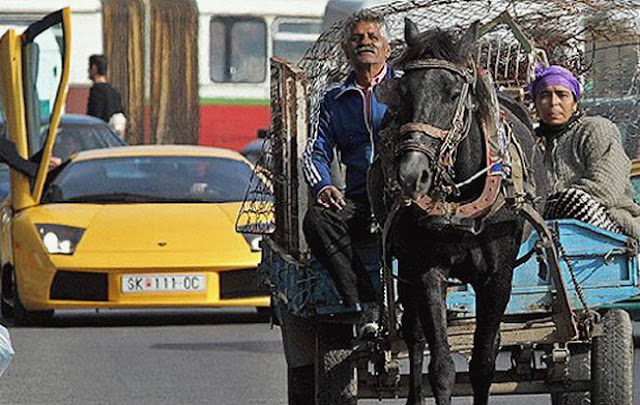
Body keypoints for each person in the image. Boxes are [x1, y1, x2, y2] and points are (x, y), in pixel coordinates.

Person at [531, 64, 640, 238]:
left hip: (610, 222)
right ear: (536, 104)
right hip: (548, 228)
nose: (553, 102)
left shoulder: (596, 129)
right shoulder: (531, 143)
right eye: (545, 95)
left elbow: (606, 189)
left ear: (575, 103)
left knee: (576, 200)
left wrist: (544, 204)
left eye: (562, 95)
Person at [86, 54, 126, 137]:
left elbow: (94, 118)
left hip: (100, 137)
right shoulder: (114, 92)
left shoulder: (96, 91)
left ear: (94, 68)